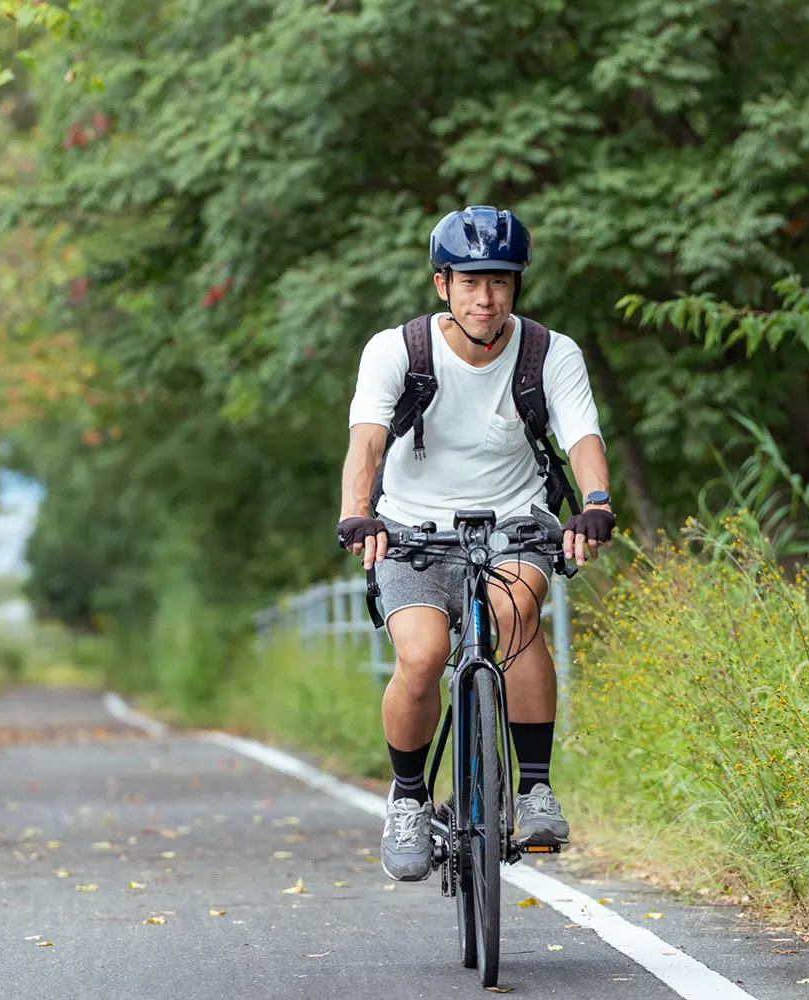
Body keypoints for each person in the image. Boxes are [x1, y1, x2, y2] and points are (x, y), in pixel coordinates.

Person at [335, 206, 616, 882]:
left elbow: (581, 436)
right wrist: (357, 514)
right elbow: (366, 442)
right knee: (424, 654)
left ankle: (534, 787)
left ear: (516, 286)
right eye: (470, 282)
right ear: (442, 285)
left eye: (500, 282)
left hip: (514, 522)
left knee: (518, 618)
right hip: (409, 531)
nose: (485, 298)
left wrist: (598, 503)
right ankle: (407, 798)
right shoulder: (397, 350)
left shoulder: (552, 352)